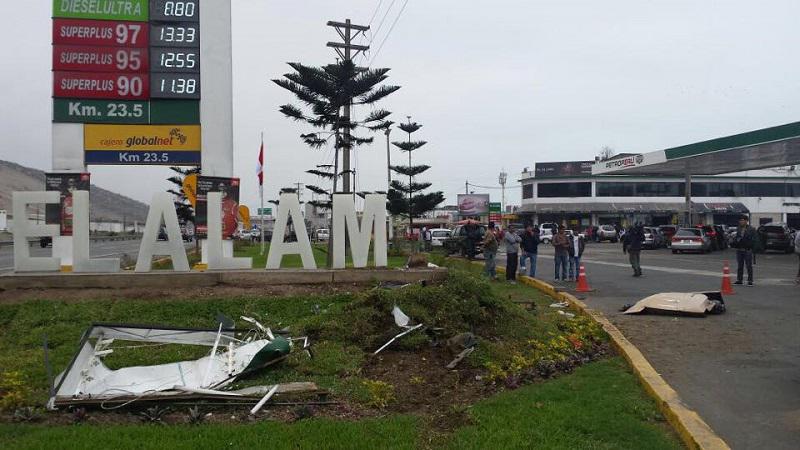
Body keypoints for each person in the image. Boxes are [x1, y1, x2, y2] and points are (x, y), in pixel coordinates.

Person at [731, 215, 757, 286]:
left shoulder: (751, 229)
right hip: (739, 250)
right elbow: (737, 237)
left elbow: (754, 239)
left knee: (749, 266)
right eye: (740, 220)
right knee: (740, 266)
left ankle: (750, 280)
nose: (741, 222)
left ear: (746, 221)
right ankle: (739, 280)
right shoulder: (738, 228)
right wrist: (735, 242)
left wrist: (750, 245)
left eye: (742, 220)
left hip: (747, 250)